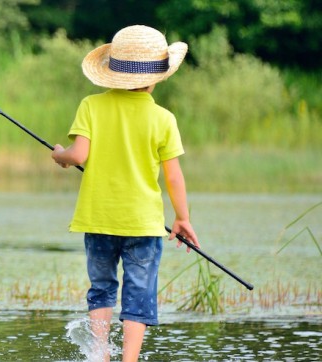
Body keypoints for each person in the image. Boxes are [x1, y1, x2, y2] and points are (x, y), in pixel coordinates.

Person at [51, 25, 199, 362]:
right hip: (143, 225)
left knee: (101, 288)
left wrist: (59, 154)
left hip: (99, 218)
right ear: (158, 76)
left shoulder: (91, 106)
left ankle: (100, 355)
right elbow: (174, 178)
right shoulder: (164, 118)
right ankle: (128, 360)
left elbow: (77, 156)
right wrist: (183, 218)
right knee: (139, 293)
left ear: (112, 71)